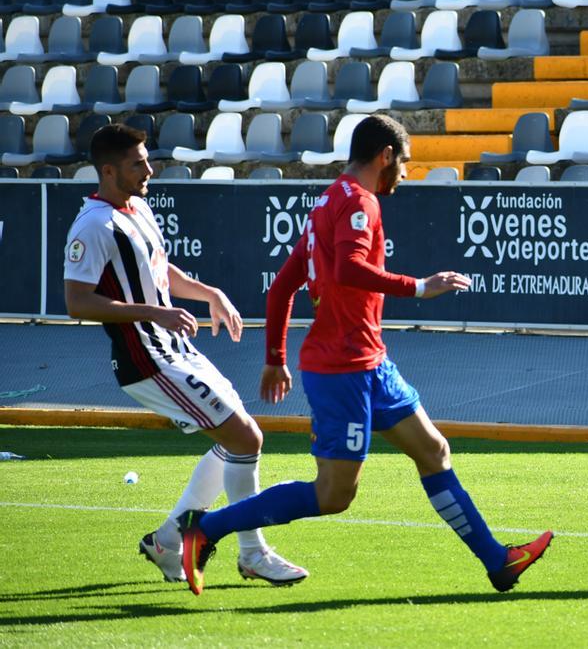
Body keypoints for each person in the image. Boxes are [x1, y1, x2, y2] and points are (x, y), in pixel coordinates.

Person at [176, 114, 553, 596]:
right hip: (343, 369)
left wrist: (275, 356)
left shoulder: (327, 203)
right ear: (385, 156)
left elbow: (283, 288)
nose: (405, 173)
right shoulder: (360, 202)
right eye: (405, 163)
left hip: (370, 362)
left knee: (433, 451)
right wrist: (419, 287)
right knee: (335, 495)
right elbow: (352, 269)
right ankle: (205, 528)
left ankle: (497, 561)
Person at [63, 124, 307, 588]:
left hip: (174, 348)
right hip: (149, 359)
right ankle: (251, 552)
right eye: (138, 163)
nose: (149, 170)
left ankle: (167, 540)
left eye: (146, 160)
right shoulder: (94, 225)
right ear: (109, 170)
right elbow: (77, 301)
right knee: (245, 438)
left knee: (236, 435)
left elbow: (159, 269)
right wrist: (155, 311)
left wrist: (207, 293)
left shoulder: (137, 207)